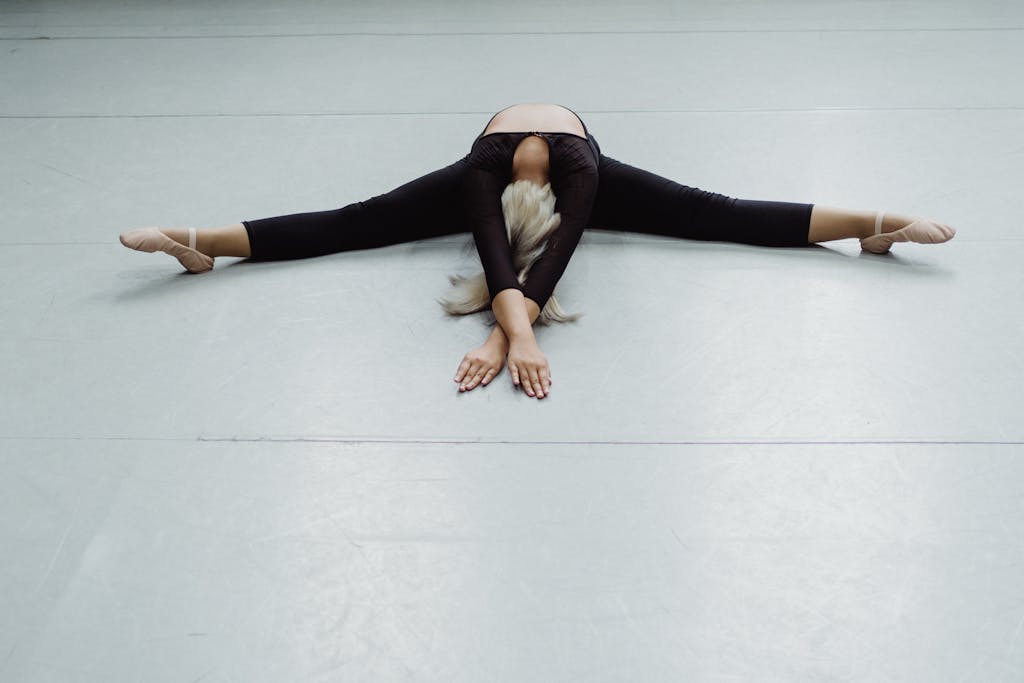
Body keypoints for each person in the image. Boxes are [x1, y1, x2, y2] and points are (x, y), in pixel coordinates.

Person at [119, 102, 956, 400]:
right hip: (513, 190)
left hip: (584, 170)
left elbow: (540, 260)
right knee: (355, 218)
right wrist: (509, 328)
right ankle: (201, 243)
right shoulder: (482, 175)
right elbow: (499, 252)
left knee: (716, 210)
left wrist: (508, 331)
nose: (533, 168)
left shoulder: (581, 170)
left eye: (543, 185)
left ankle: (868, 225)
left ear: (550, 187)